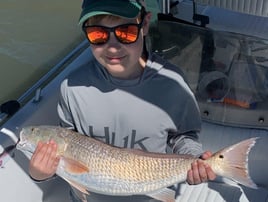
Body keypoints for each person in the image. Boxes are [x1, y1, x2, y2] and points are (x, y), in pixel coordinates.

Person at [28, 0, 216, 201]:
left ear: (144, 25)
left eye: (125, 32)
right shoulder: (72, 87)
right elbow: (67, 142)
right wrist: (40, 173)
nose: (112, 47)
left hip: (151, 192)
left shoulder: (173, 83)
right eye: (97, 34)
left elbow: (184, 136)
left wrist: (196, 162)